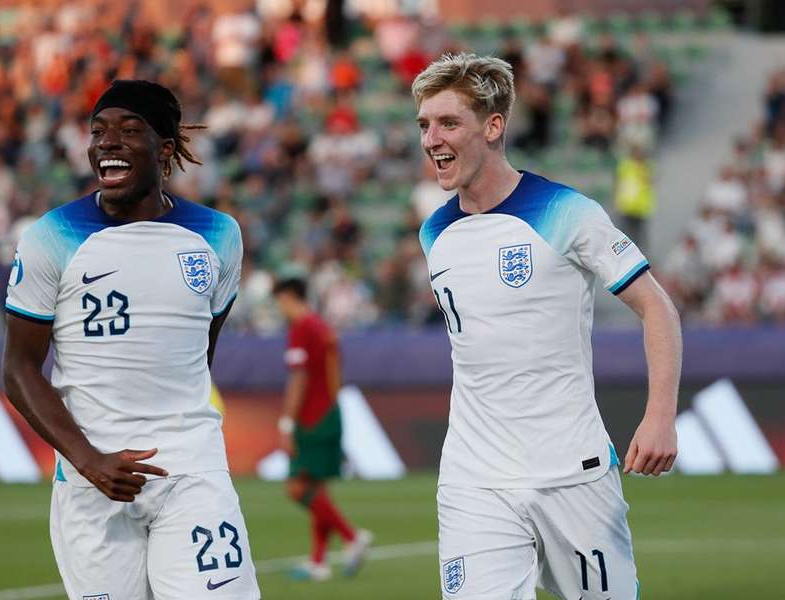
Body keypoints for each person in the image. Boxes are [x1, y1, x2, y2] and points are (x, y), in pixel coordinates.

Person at [412, 53, 681, 599]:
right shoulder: (434, 233)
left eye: (448, 123)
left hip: (571, 471)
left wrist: (659, 418)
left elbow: (657, 308)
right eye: (424, 125)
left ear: (493, 127)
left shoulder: (566, 211)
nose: (431, 139)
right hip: (474, 478)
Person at [1, 80, 260, 600]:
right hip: (91, 481)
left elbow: (197, 354)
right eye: (98, 131)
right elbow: (19, 370)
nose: (108, 142)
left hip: (192, 472)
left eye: (128, 130)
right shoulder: (50, 236)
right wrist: (88, 459)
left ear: (165, 151)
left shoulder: (218, 235)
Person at [271, 275, 373, 581]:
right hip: (331, 411)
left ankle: (352, 537)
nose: (280, 309)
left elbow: (298, 379)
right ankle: (319, 562)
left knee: (297, 488)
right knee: (317, 488)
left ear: (288, 297)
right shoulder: (323, 327)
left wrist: (287, 424)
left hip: (311, 418)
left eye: (279, 302)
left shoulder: (302, 328)